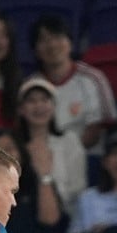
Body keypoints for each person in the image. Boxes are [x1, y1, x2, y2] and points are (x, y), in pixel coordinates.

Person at [26, 14, 117, 152]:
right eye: (44, 40)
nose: (52, 45)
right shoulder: (30, 85)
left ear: (70, 43)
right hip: (44, 158)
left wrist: (68, 154)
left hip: (89, 158)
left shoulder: (94, 78)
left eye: (58, 37)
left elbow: (99, 128)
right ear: (35, 50)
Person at [13, 76, 86, 221]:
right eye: (32, 101)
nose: (39, 106)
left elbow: (78, 189)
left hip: (65, 216)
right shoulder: (12, 144)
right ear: (21, 109)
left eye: (45, 100)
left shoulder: (70, 142)